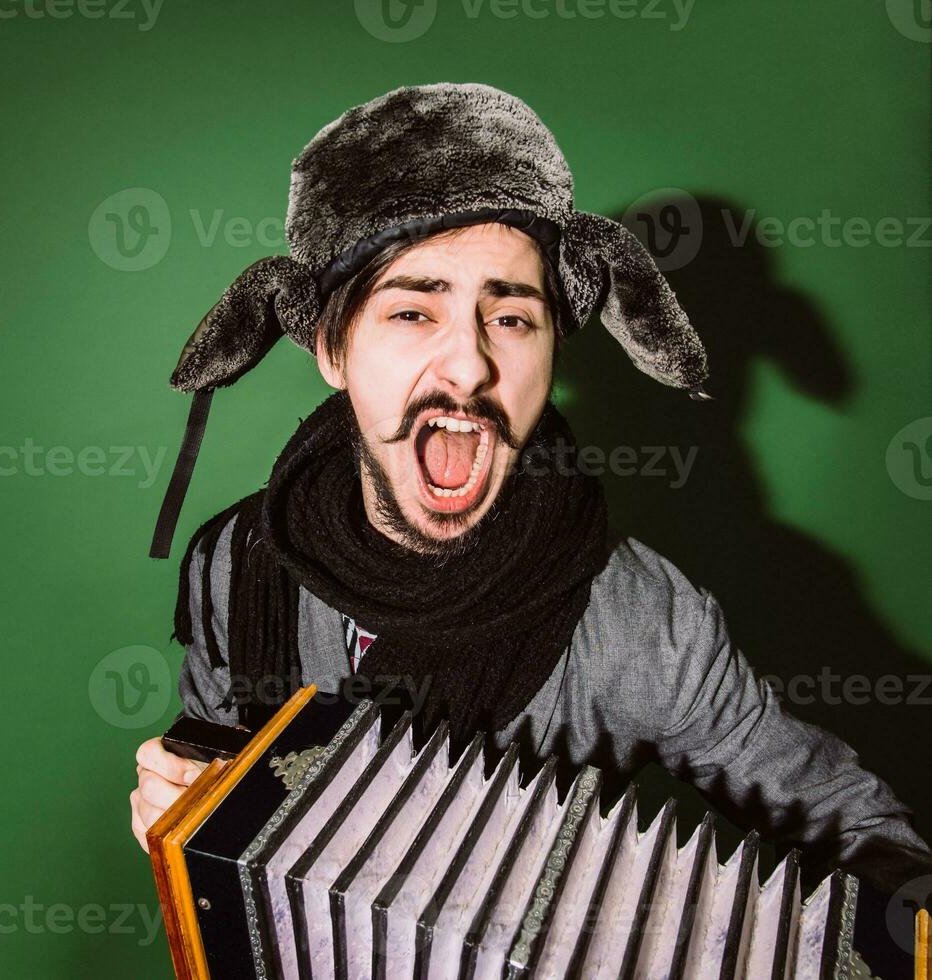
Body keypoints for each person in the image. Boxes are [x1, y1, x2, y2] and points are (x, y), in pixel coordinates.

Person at [127, 82, 932, 895]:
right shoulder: (236, 560)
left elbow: (862, 833)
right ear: (331, 351)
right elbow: (214, 756)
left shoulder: (642, 620)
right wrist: (186, 810)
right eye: (413, 313)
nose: (471, 366)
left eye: (510, 318)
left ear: (553, 349)